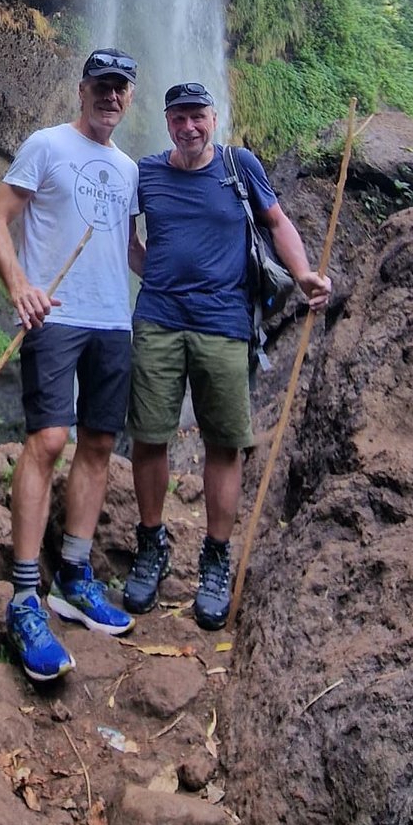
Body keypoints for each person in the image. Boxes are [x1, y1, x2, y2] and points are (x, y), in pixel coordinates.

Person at [124, 79, 332, 630]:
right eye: (179, 117)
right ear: (167, 122)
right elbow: (127, 241)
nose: (189, 126)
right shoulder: (146, 173)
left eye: (198, 116)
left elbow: (277, 222)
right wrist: (157, 276)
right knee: (149, 435)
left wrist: (305, 274)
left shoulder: (240, 165)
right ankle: (151, 544)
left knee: (223, 443)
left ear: (213, 119)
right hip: (158, 321)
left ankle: (215, 559)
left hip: (224, 324)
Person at [0, 49, 140, 683]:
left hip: (114, 320)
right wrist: (20, 285)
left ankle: (74, 575)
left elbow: (133, 251)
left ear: (130, 96)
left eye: (120, 88)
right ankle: (25, 595)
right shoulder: (46, 145)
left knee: (98, 443)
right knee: (48, 440)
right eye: (101, 85)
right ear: (82, 90)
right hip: (56, 315)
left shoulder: (129, 168)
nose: (110, 96)